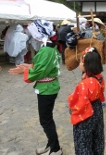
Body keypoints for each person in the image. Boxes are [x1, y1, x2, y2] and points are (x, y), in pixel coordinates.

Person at [8, 19, 62, 155]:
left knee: (45, 120)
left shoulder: (46, 50)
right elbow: (41, 66)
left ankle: (56, 149)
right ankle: (51, 145)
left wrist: (24, 71)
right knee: (47, 119)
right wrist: (28, 66)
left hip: (47, 89)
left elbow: (39, 72)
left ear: (39, 34)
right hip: (49, 87)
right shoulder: (49, 47)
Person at [68, 46, 105, 155]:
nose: (79, 64)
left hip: (86, 113)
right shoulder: (99, 78)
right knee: (97, 140)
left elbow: (78, 104)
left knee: (84, 142)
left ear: (86, 65)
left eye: (80, 62)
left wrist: (71, 104)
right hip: (97, 109)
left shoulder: (85, 84)